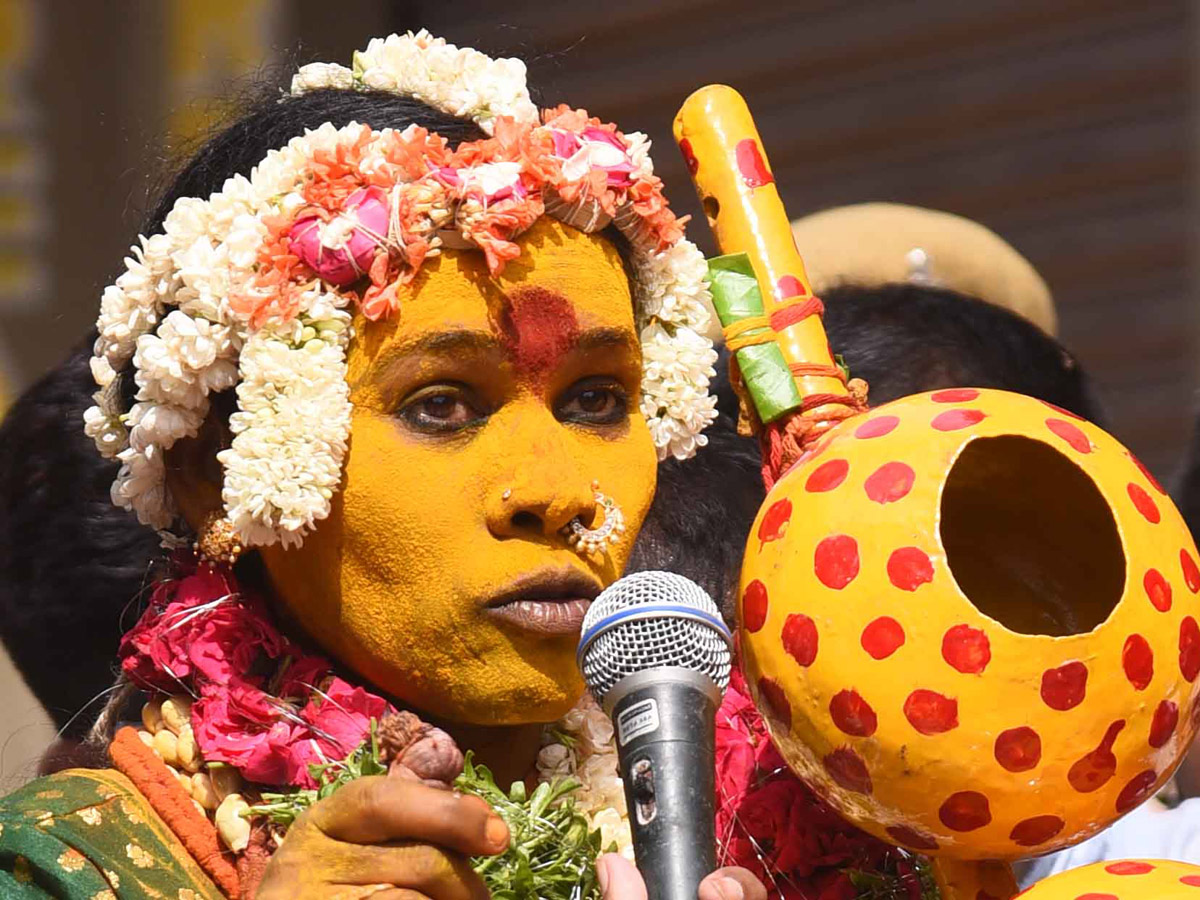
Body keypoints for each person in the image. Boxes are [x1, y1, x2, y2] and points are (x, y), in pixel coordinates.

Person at [0, 32, 768, 900]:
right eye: (440, 405)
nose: (558, 494)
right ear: (213, 473)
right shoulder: (63, 868)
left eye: (596, 401)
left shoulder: (783, 822)